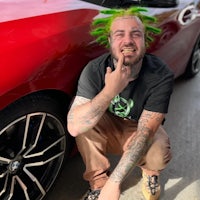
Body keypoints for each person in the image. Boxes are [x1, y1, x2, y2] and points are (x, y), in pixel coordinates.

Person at [67, 6, 174, 200]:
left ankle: (150, 172)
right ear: (109, 41)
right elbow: (74, 127)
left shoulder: (161, 75)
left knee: (158, 153)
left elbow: (146, 132)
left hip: (139, 125)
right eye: (119, 34)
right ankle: (99, 183)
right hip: (107, 122)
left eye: (136, 34)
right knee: (84, 121)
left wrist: (115, 183)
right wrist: (110, 90)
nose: (127, 41)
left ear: (145, 41)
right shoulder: (95, 70)